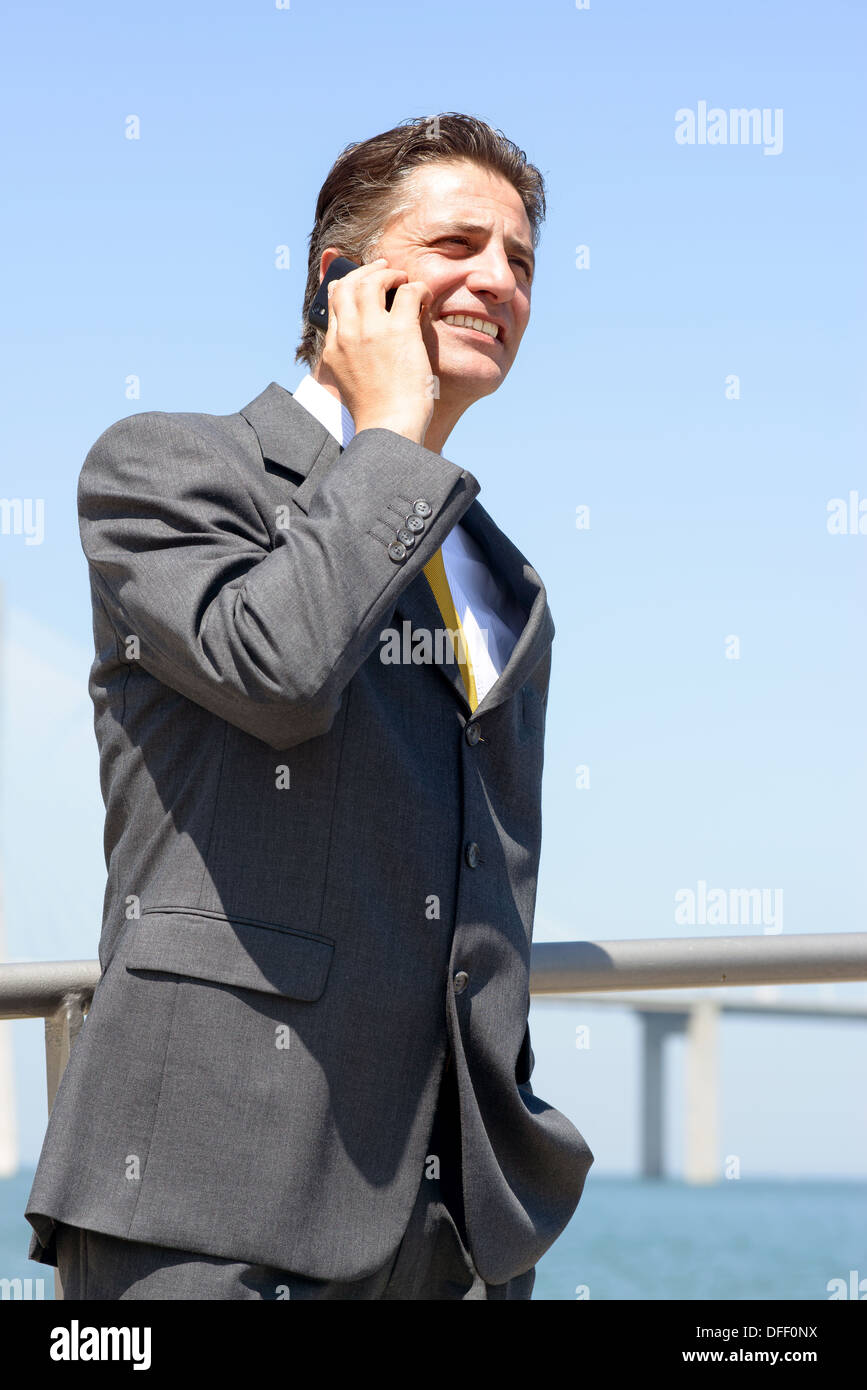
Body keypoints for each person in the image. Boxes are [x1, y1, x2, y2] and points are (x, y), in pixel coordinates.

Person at [25, 112, 593, 1300]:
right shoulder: (166, 471)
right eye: (457, 244)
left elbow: (492, 892)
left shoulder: (503, 580)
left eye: (522, 260)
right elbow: (275, 670)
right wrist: (389, 435)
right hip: (205, 1199)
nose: (498, 279)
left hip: (445, 1231)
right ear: (345, 281)